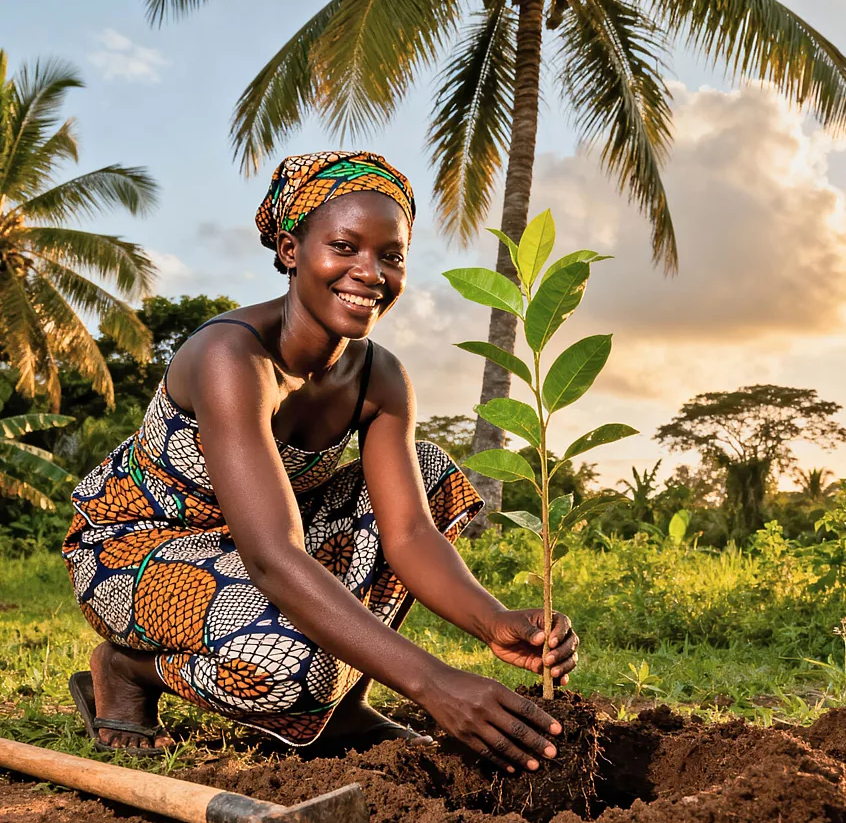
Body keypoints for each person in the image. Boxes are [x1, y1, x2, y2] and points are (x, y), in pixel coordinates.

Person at [62, 150, 577, 771]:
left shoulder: (380, 378)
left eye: (391, 256)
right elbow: (273, 557)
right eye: (345, 247)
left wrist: (494, 623)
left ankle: (343, 705)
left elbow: (409, 534)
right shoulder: (231, 357)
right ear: (289, 249)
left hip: (262, 544)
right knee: (289, 668)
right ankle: (128, 670)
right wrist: (431, 682)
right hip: (135, 549)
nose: (370, 272)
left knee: (430, 468)